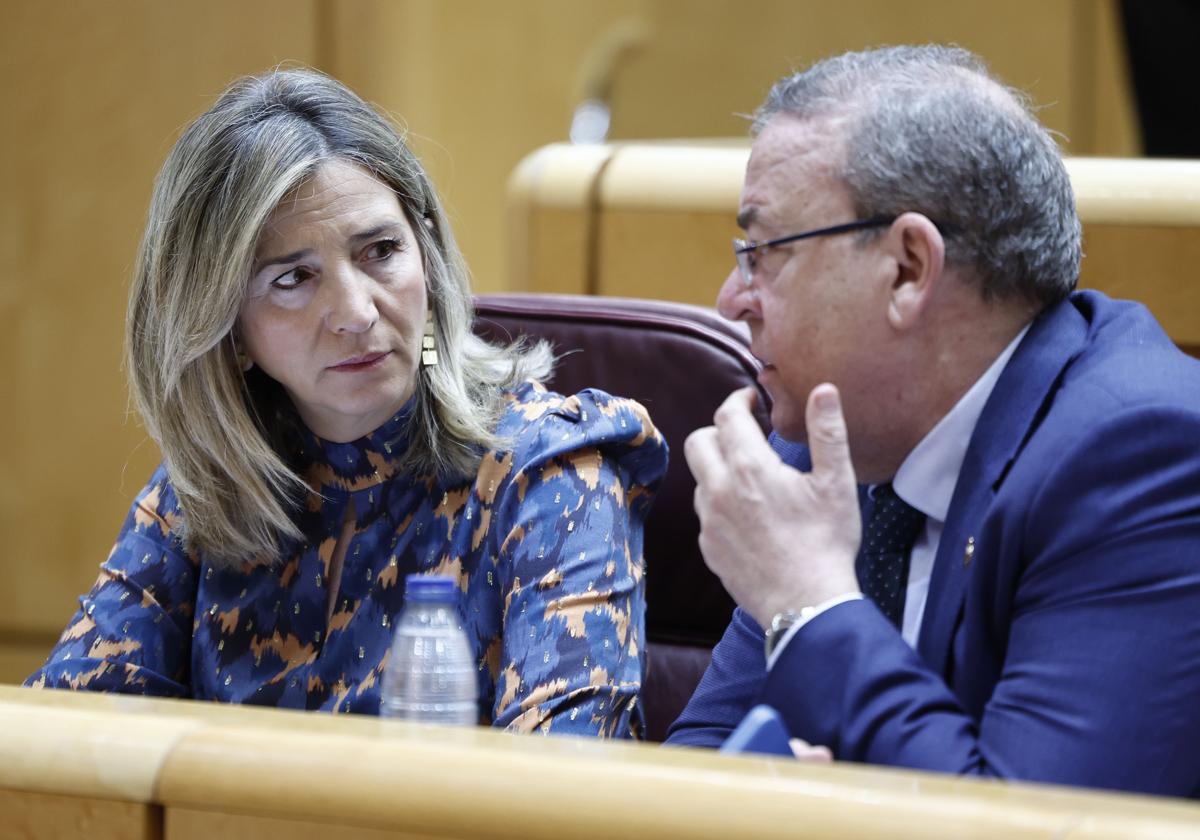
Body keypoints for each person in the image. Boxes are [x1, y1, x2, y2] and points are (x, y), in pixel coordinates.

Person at [26, 68, 667, 738]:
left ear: (428, 256)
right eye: (294, 279)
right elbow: (59, 756)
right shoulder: (210, 491)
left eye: (381, 251)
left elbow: (566, 796)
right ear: (226, 331)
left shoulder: (550, 475)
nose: (357, 313)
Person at [667, 45, 1200, 796]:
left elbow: (1024, 823)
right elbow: (699, 771)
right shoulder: (828, 443)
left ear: (910, 267)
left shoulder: (1140, 460)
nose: (731, 298)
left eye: (762, 252)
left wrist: (812, 603)